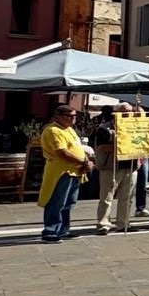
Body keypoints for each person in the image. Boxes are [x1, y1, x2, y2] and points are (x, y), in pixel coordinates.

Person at [38, 103, 90, 242]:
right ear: (58, 117)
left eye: (75, 116)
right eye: (70, 116)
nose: (73, 119)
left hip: (74, 171)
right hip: (60, 172)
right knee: (57, 201)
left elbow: (78, 147)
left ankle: (63, 229)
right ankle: (50, 230)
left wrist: (85, 160)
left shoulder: (69, 130)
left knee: (68, 202)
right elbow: (62, 152)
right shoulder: (54, 131)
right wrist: (83, 162)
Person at [89, 108, 121, 234]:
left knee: (126, 198)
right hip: (109, 166)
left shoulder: (134, 126)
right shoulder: (104, 128)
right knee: (107, 197)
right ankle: (103, 224)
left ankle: (123, 223)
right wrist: (121, 145)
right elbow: (101, 147)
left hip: (130, 165)